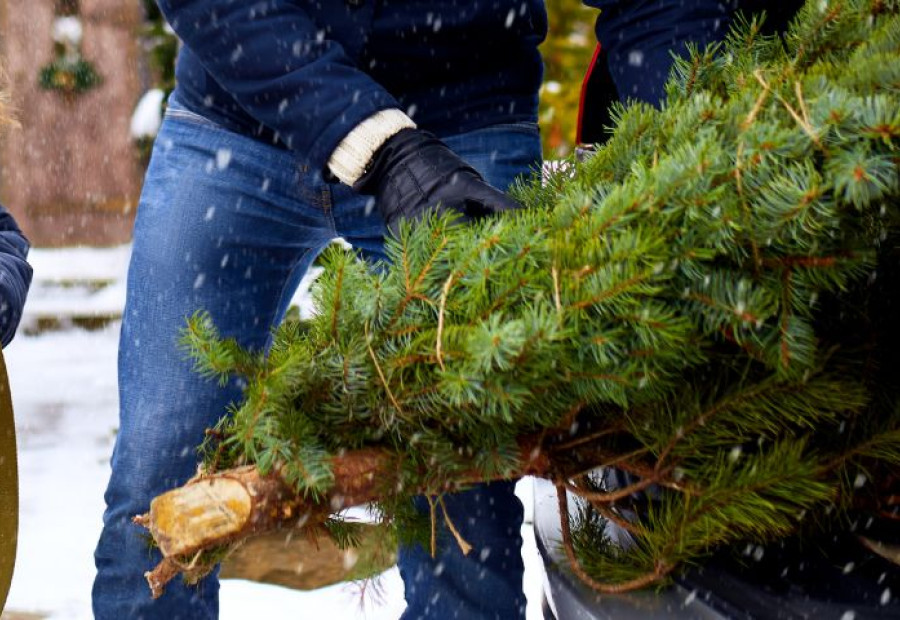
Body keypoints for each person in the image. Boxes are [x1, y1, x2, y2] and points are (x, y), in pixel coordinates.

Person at [92, 2, 802, 618]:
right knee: (157, 481)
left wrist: (694, 164)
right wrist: (381, 148)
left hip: (464, 118)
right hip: (242, 114)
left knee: (468, 523)